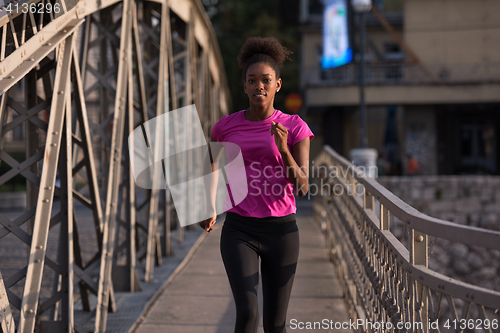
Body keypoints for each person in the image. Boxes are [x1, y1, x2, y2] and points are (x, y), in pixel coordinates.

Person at [199, 36, 314, 333]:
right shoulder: (226, 126)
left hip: (282, 231)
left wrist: (284, 149)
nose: (258, 86)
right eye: (252, 81)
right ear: (245, 85)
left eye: (266, 80)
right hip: (240, 228)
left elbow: (302, 186)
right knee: (248, 314)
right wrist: (208, 205)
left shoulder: (295, 126)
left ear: (277, 84)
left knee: (275, 324)